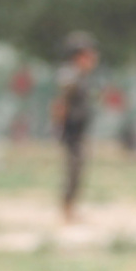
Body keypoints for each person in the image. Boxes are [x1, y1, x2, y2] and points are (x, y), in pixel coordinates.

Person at [51, 32, 98, 223]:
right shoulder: (70, 76)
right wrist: (60, 129)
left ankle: (71, 208)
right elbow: (61, 104)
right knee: (73, 170)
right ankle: (67, 210)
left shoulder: (79, 76)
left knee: (77, 169)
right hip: (71, 130)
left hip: (78, 129)